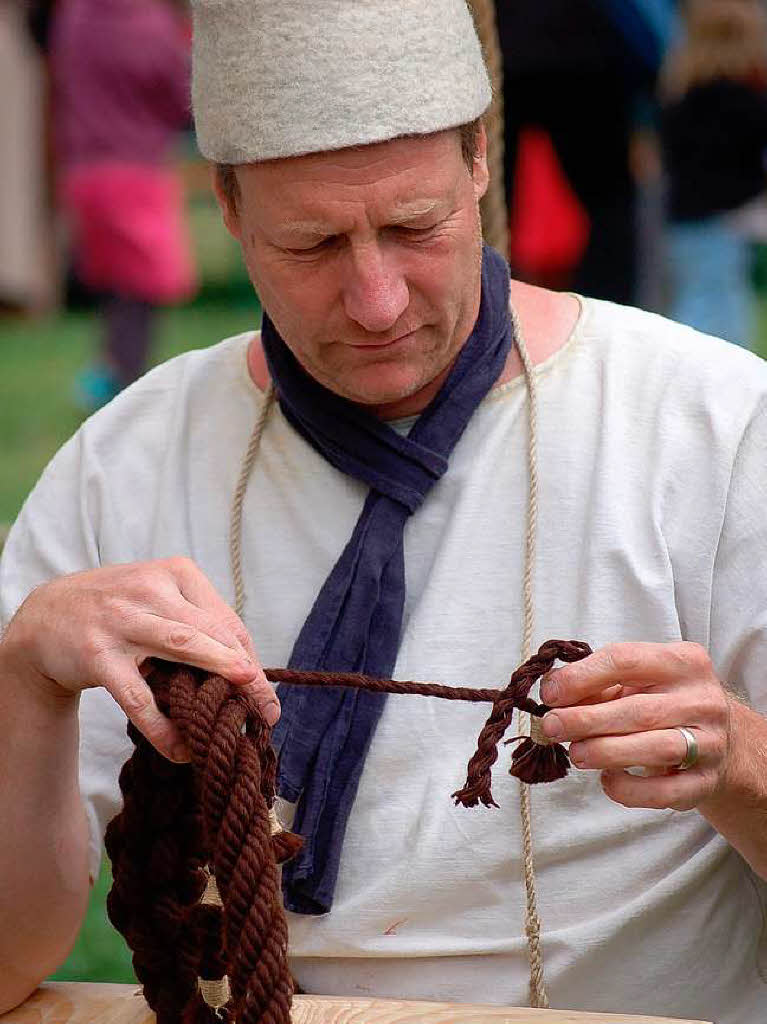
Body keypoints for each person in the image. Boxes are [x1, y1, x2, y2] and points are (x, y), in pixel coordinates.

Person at [0, 1, 766, 1021]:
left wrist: (739, 764)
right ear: (225, 208)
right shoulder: (127, 463)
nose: (375, 301)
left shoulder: (711, 424)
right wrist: (25, 683)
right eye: (310, 244)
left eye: (412, 228)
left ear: (480, 160)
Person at [49, 0, 196, 409]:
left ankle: (106, 379)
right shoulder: (149, 23)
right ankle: (124, 389)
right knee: (143, 289)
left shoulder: (74, 14)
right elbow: (183, 97)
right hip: (135, 169)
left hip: (82, 169)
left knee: (116, 285)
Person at [659, 0, 767, 349]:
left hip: (683, 223)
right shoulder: (745, 103)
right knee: (723, 317)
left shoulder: (677, 97)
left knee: (700, 305)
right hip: (725, 222)